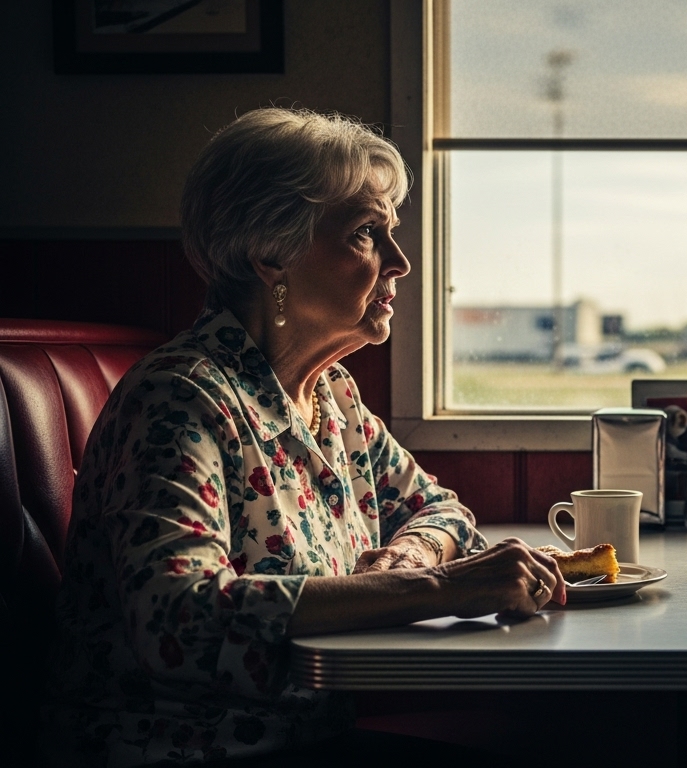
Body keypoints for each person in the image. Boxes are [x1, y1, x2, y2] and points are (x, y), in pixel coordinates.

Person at [42, 108, 566, 767]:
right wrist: (442, 590)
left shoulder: (332, 396)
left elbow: (440, 510)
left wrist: (407, 560)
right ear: (271, 255)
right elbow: (175, 618)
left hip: (304, 737)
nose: (400, 263)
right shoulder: (182, 398)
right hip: (189, 751)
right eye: (367, 235)